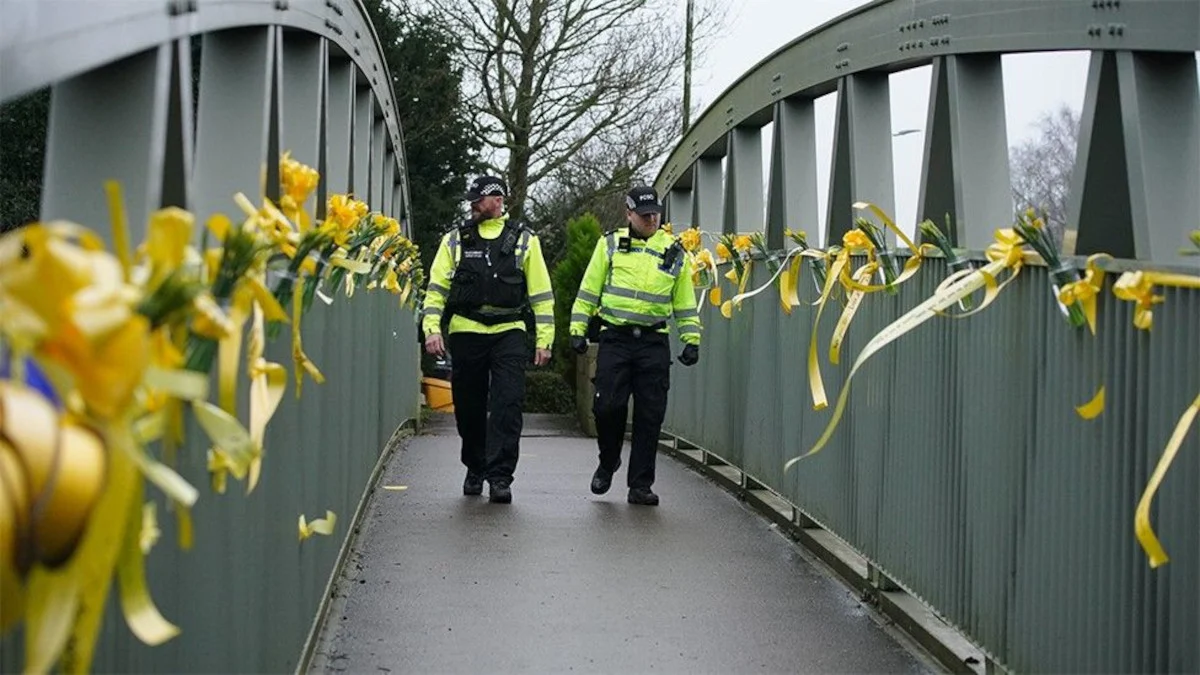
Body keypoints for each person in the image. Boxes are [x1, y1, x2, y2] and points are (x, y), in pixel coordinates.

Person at [421, 175, 554, 503]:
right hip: (466, 330)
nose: (472, 206)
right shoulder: (455, 240)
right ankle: (475, 467)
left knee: (508, 404)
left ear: (497, 200)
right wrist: (432, 328)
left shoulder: (525, 240)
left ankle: (500, 477)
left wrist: (545, 340)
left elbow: (541, 294)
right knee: (469, 407)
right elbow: (436, 288)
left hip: (509, 331)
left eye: (477, 200)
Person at [568, 185, 700, 506]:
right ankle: (609, 459)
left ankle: (640, 485)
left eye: (655, 213)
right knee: (607, 406)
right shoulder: (610, 245)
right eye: (644, 215)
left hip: (654, 341)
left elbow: (684, 301)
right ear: (628, 214)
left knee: (650, 415)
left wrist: (691, 338)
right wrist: (578, 328)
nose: (651, 219)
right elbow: (589, 289)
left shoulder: (674, 251)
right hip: (616, 337)